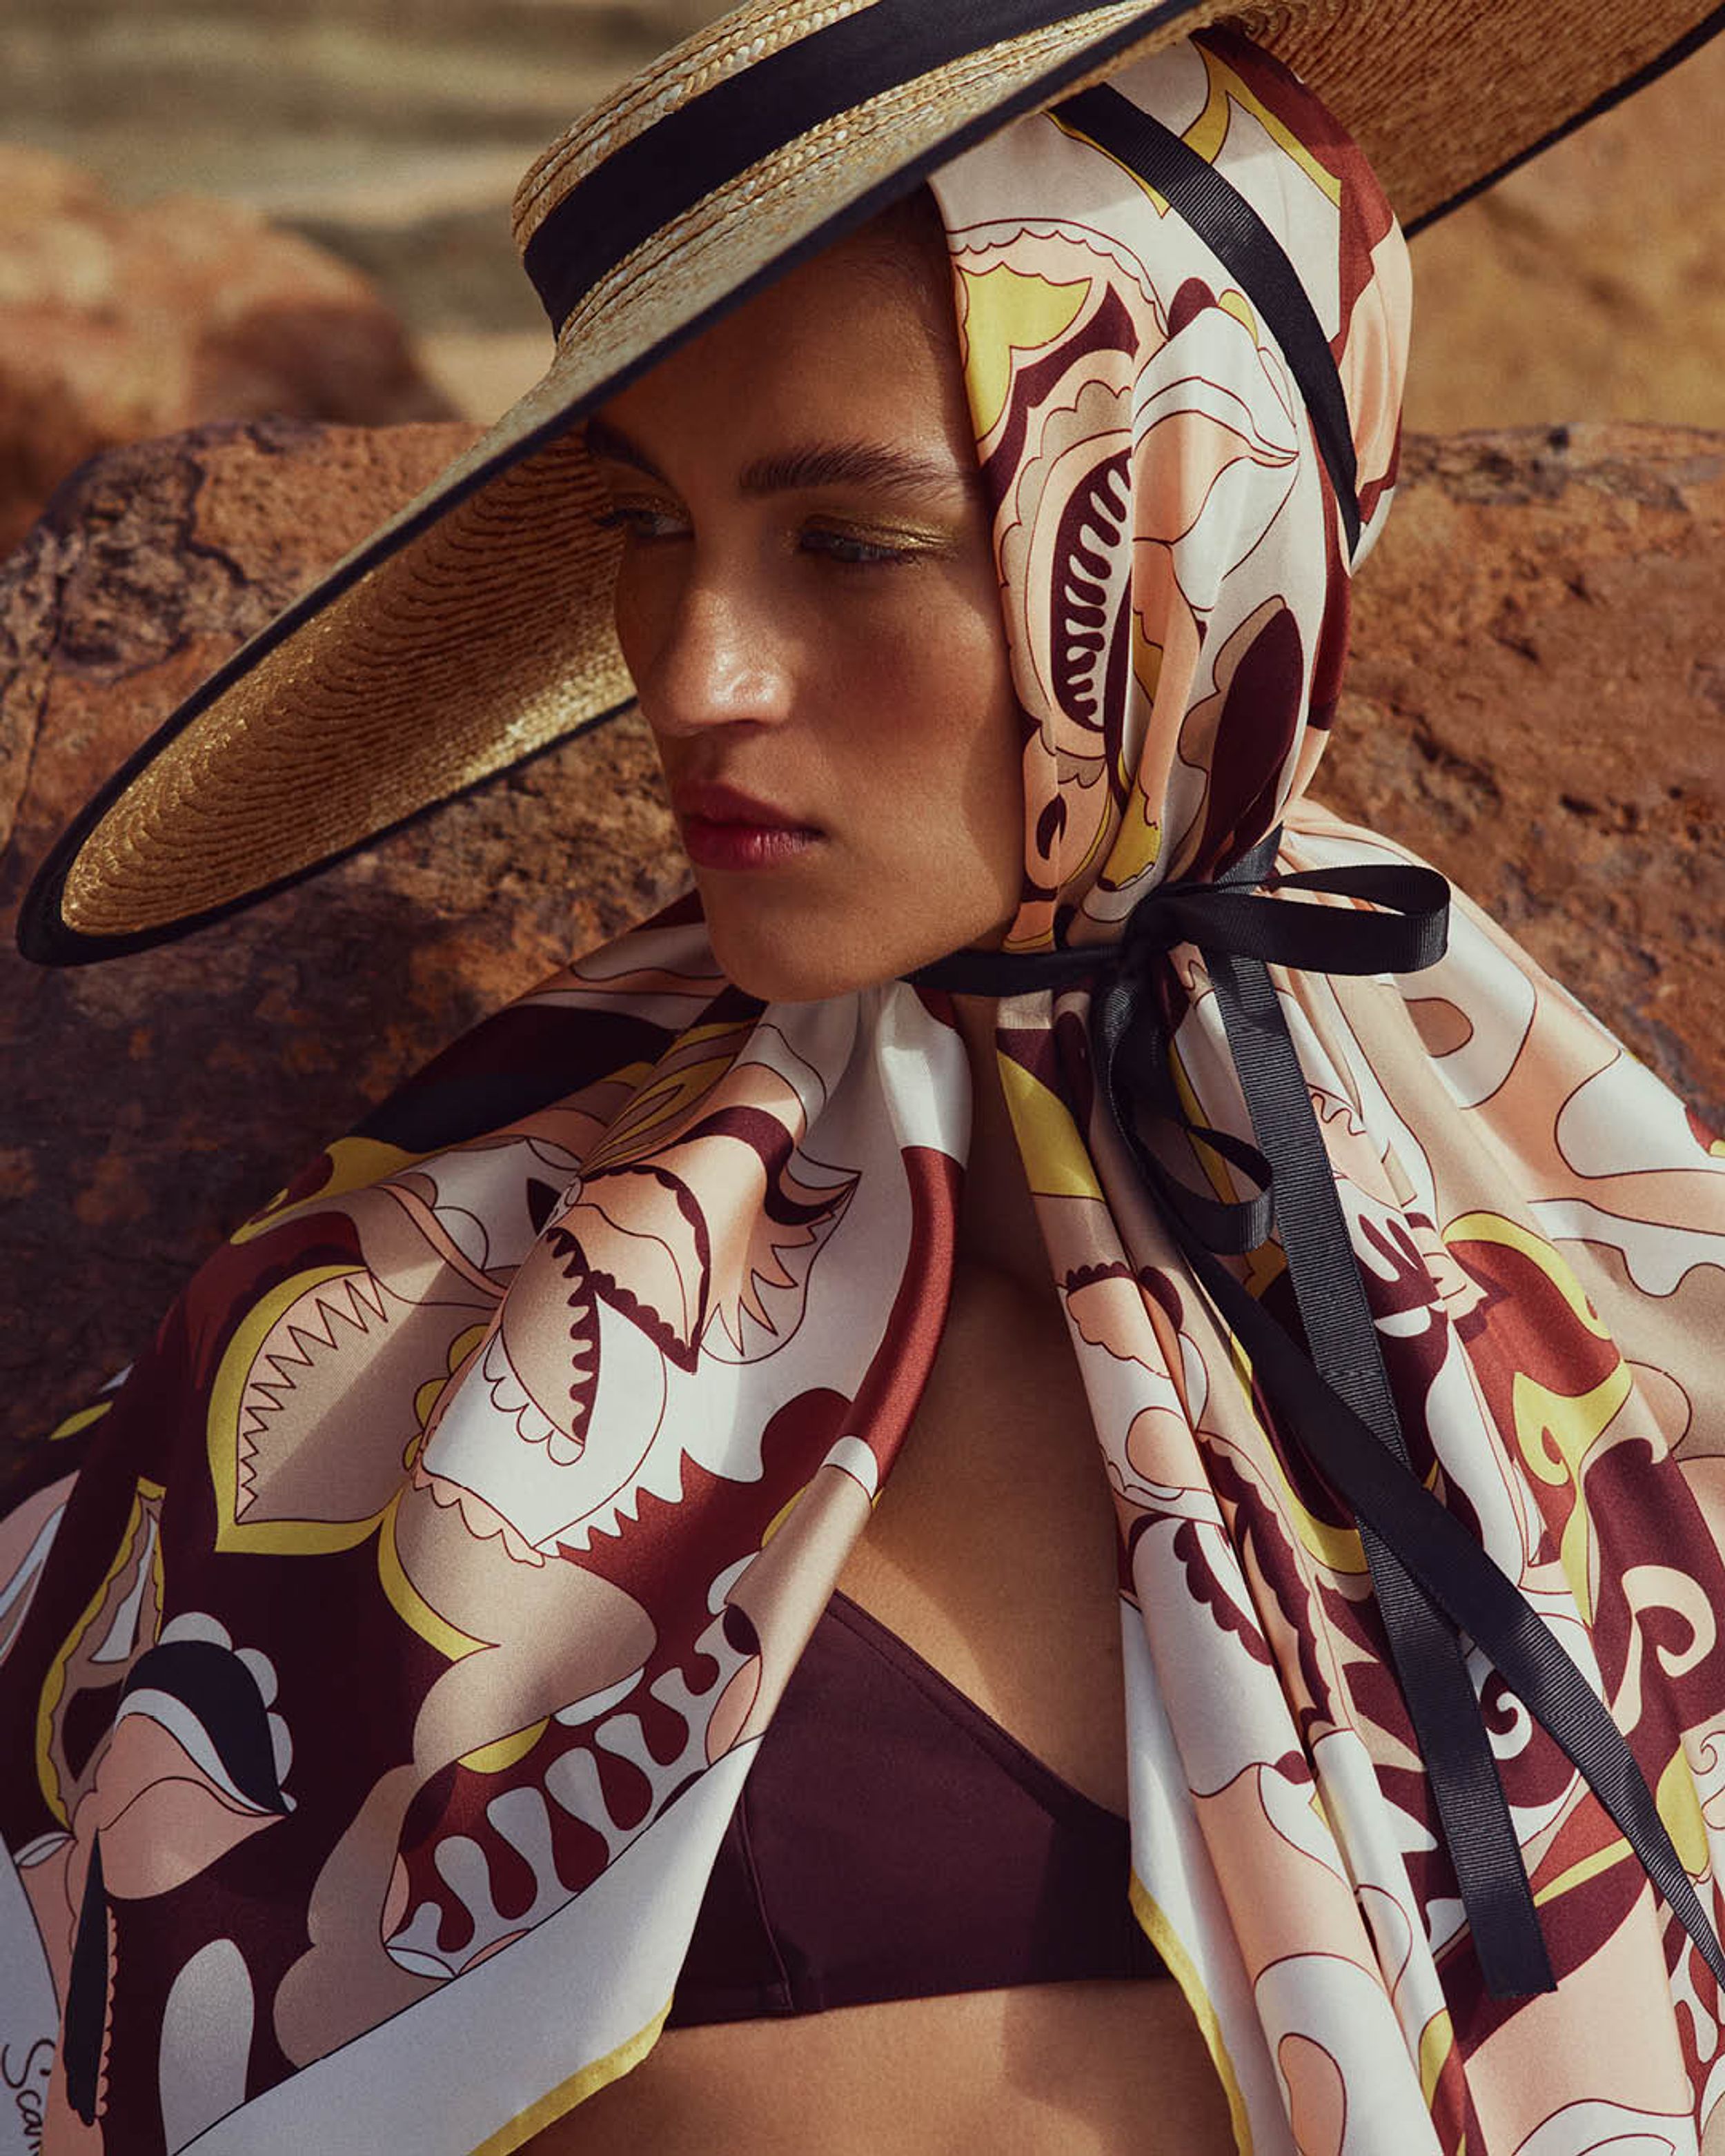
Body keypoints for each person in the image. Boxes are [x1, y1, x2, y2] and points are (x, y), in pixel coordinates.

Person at [4, 4, 1724, 2152]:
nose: (693, 677)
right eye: (645, 522)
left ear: (1180, 537)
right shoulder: (381, 1355)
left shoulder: (1601, 1298)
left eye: (845, 541)